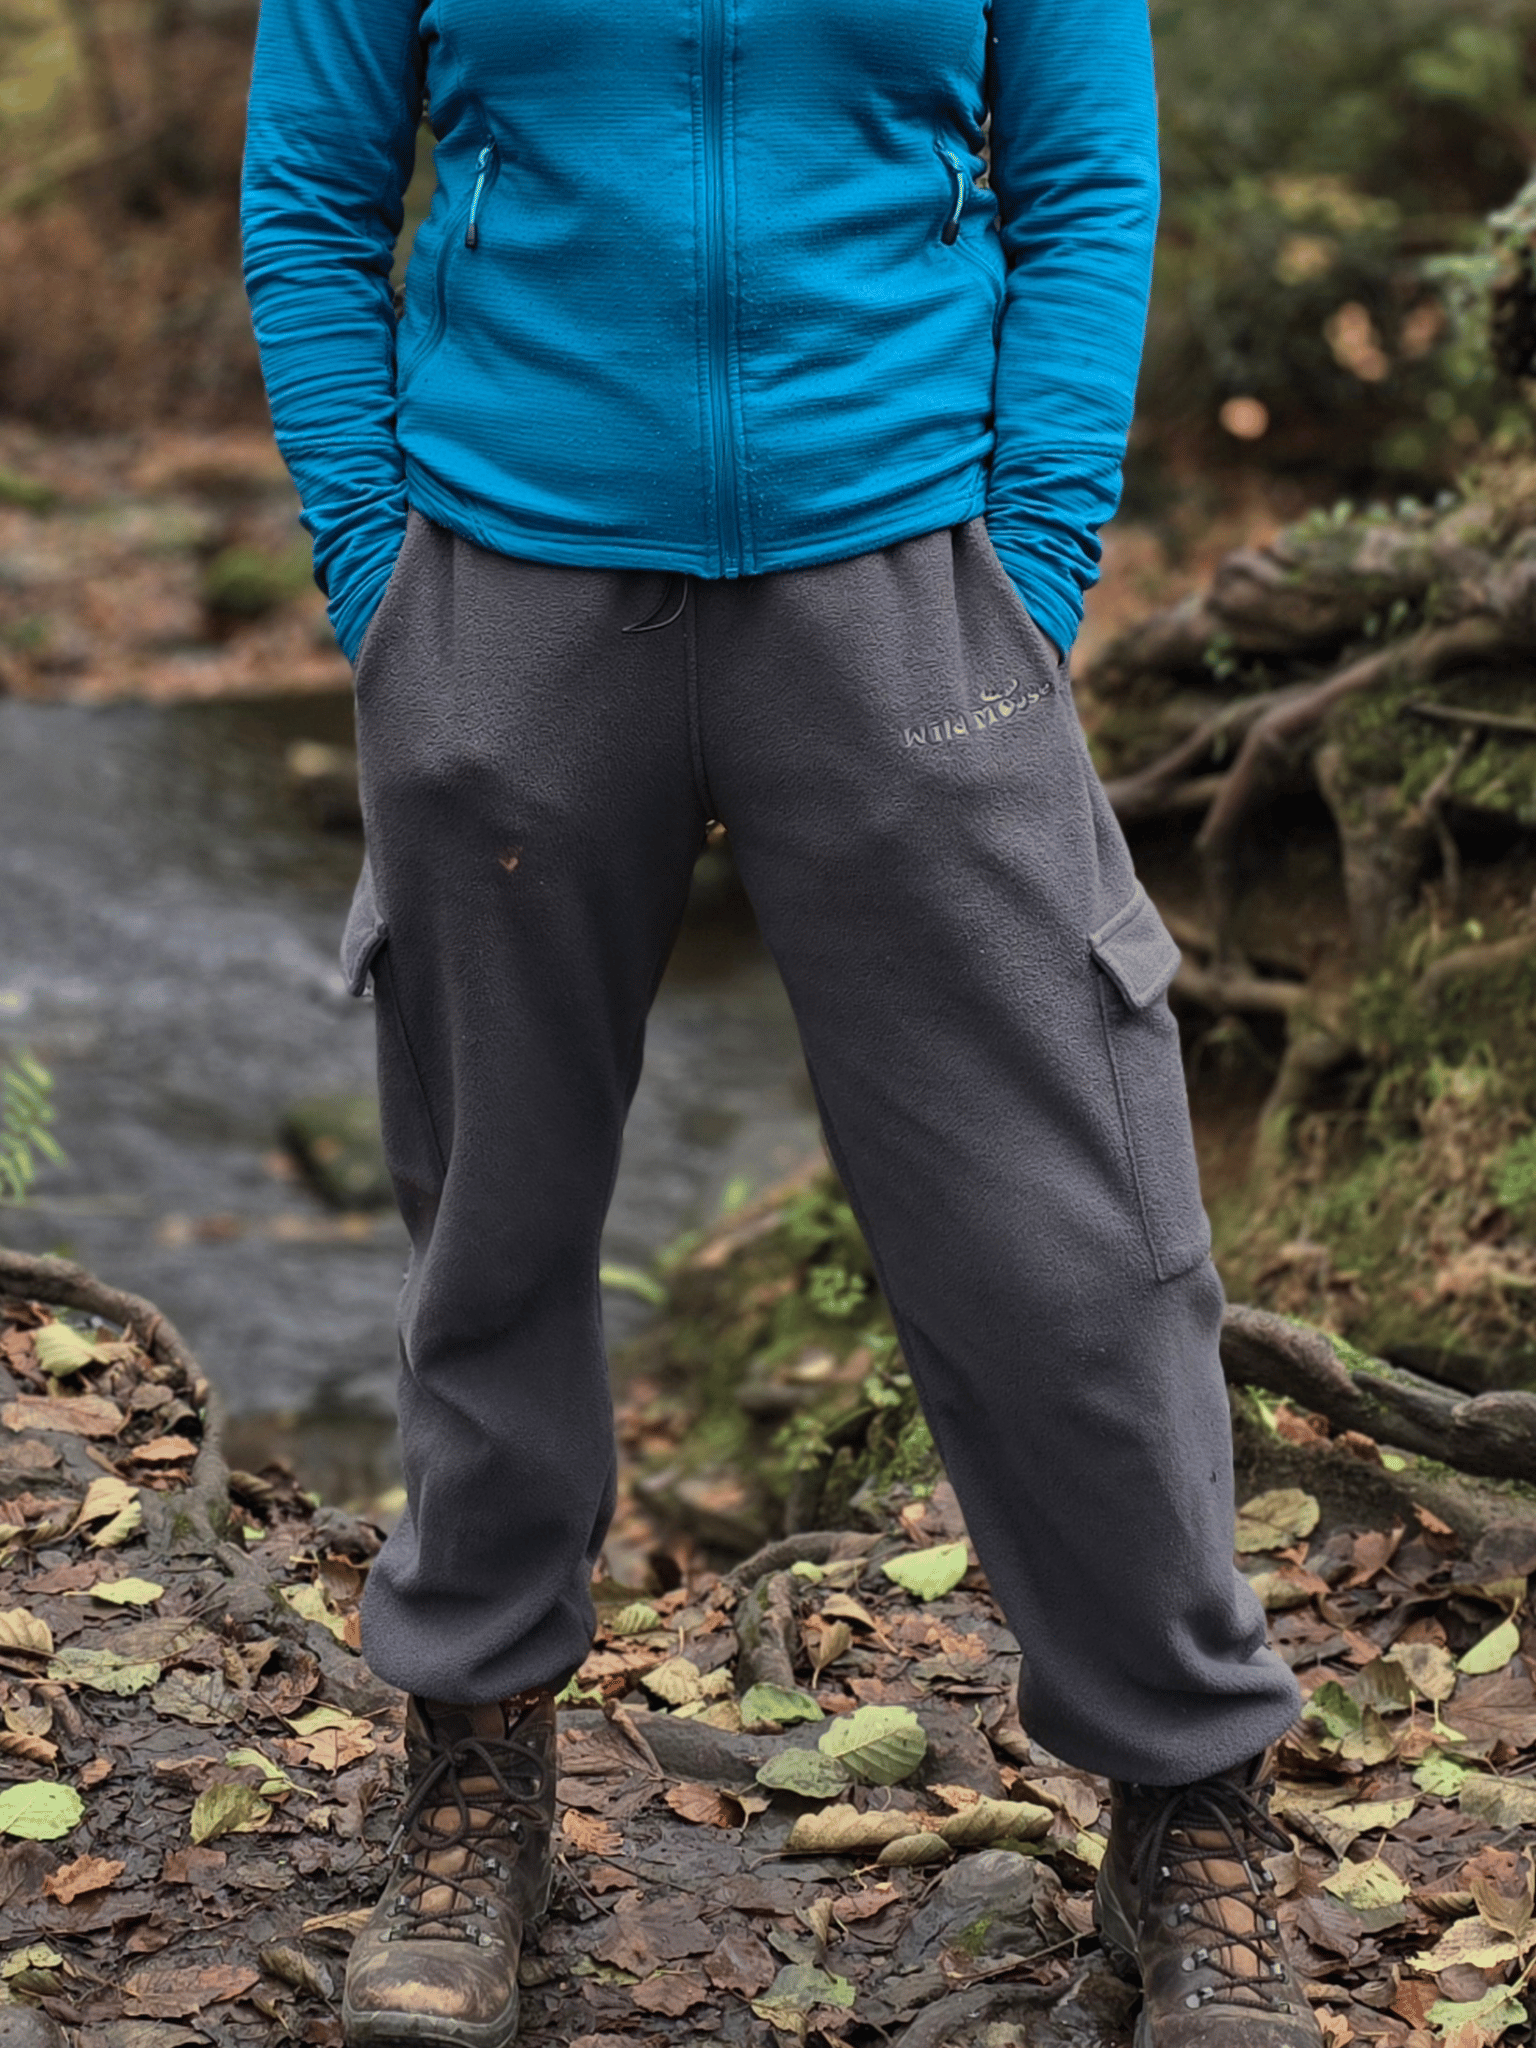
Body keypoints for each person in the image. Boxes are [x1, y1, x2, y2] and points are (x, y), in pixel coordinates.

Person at [239, 2, 1318, 2044]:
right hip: (505, 588)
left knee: (1072, 1234)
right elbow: (309, 193)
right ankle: (478, 1768)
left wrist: (1035, 563)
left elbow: (1088, 177)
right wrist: (385, 586)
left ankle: (1190, 1798)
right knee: (495, 1225)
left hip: (906, 580)